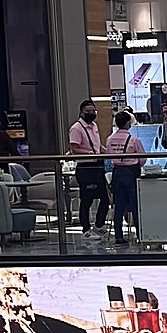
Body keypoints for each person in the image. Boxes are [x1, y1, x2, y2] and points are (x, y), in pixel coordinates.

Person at [104, 108, 146, 243]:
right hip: (131, 172)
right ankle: (140, 234)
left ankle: (119, 236)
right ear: (128, 123)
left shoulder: (110, 139)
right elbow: (142, 159)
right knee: (135, 205)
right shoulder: (134, 140)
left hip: (117, 173)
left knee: (119, 206)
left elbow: (109, 156)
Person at [68, 99, 109, 233]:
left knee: (104, 198)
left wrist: (104, 151)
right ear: (81, 112)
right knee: (87, 200)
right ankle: (86, 229)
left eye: (93, 111)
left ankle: (98, 225)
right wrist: (89, 153)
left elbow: (97, 145)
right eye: (88, 112)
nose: (91, 114)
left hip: (97, 165)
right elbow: (74, 149)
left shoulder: (95, 126)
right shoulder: (76, 128)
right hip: (85, 167)